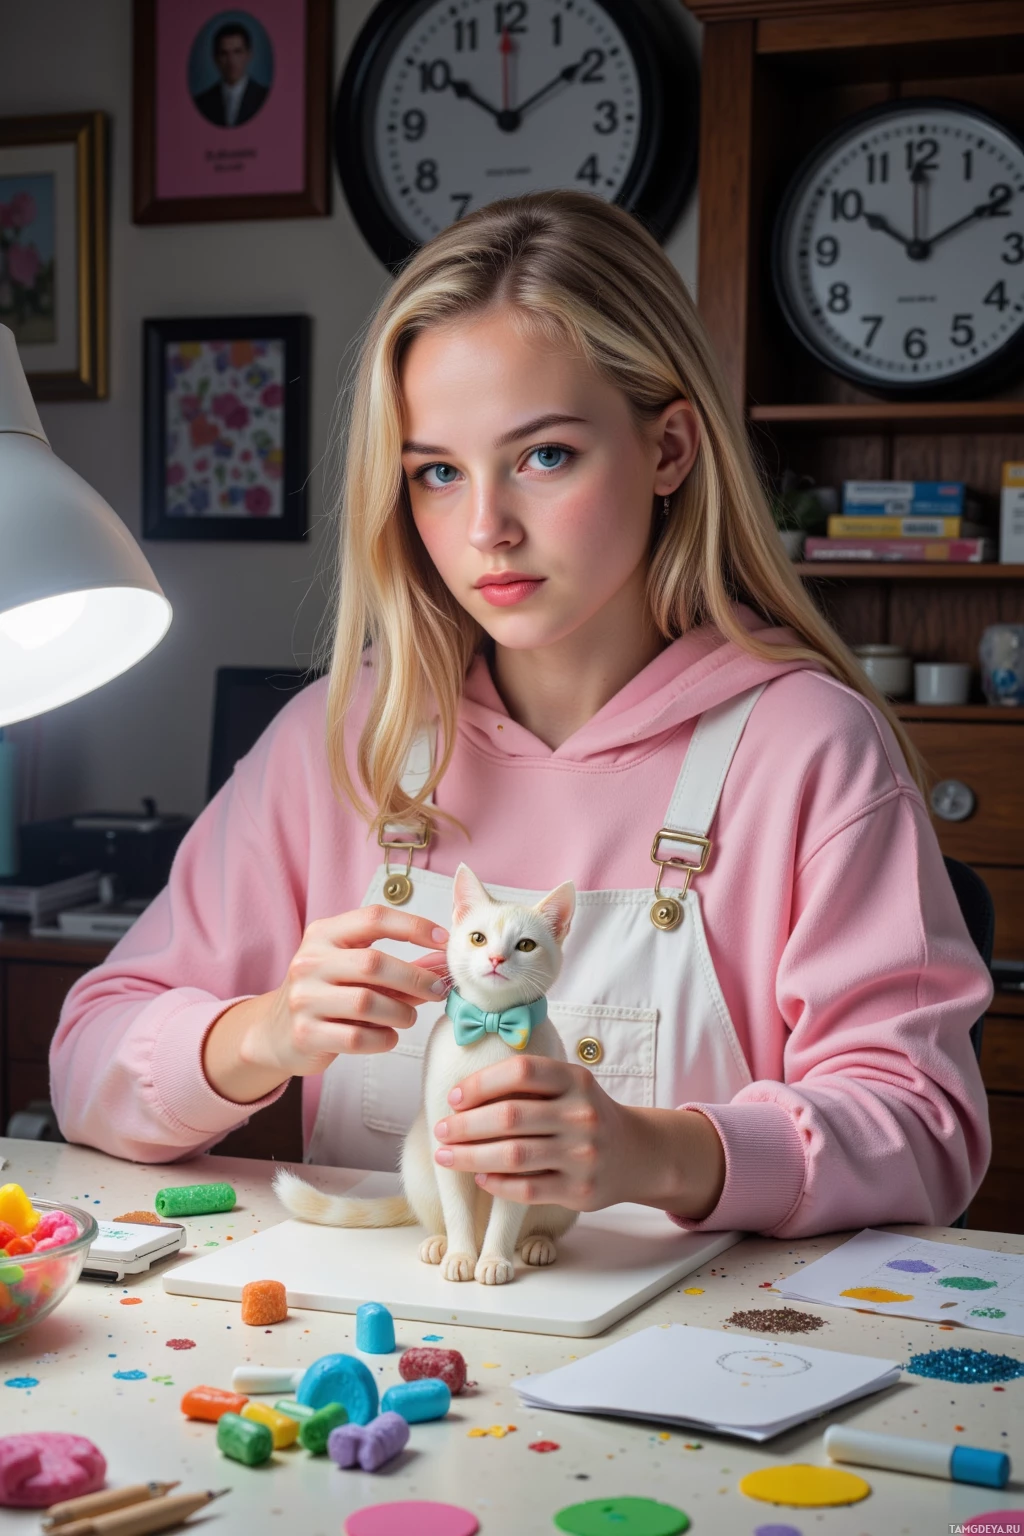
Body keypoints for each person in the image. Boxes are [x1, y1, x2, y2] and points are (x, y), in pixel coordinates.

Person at [52, 191, 992, 1237]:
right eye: (438, 474)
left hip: (692, 1369)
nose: (485, 528)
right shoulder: (342, 740)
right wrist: (259, 1035)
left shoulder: (808, 748)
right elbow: (89, 1057)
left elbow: (925, 1130)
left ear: (670, 448)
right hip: (387, 1371)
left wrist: (654, 1151)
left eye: (543, 456)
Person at [192, 20, 268, 129]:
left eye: (237, 52)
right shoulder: (202, 102)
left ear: (249, 55)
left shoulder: (263, 97)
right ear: (215, 58)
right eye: (224, 54)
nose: (231, 61)